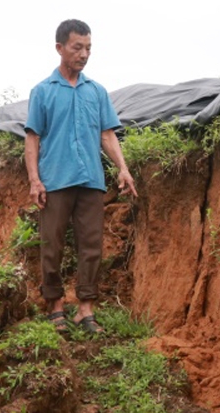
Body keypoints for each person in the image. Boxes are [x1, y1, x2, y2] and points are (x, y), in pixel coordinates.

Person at [24, 19, 137, 335]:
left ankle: (85, 308)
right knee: (52, 245)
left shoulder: (96, 92)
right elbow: (32, 139)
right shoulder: (43, 92)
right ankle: (55, 304)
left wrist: (123, 170)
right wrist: (35, 180)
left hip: (90, 181)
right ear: (60, 48)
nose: (84, 54)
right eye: (77, 47)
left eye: (88, 48)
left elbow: (108, 135)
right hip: (55, 180)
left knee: (91, 246)